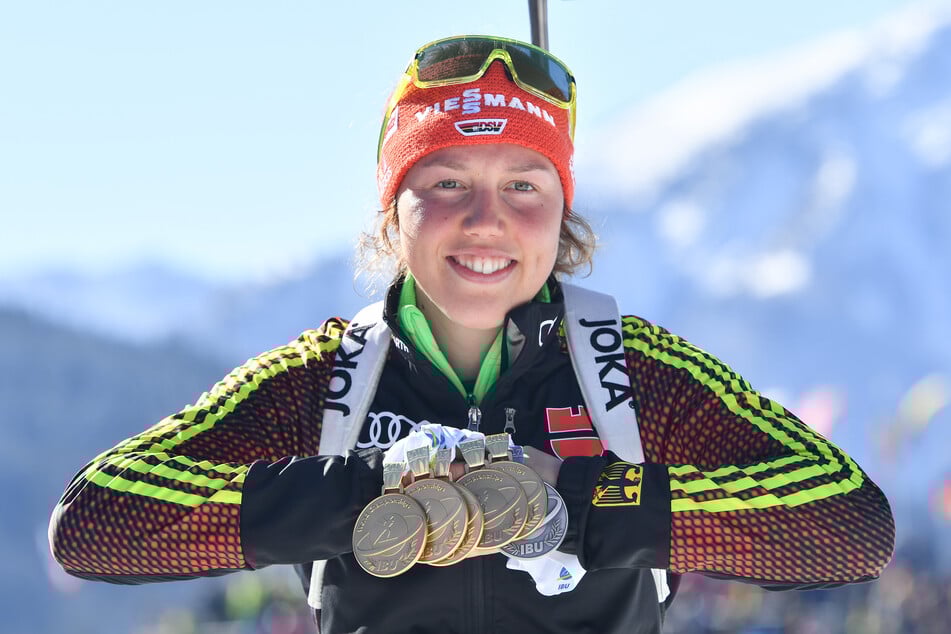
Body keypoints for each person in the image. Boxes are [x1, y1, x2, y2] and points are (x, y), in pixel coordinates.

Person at [49, 35, 896, 634]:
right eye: (447, 181)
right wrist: (373, 492)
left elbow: (848, 526)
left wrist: (569, 498)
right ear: (393, 211)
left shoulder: (634, 374)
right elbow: (94, 522)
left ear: (562, 215)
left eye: (524, 186)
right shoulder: (321, 381)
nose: (486, 220)